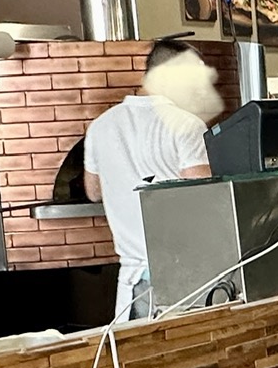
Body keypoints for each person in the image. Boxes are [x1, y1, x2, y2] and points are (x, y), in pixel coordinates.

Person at [84, 38, 220, 322]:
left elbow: (93, 191)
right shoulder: (186, 125)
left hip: (133, 284)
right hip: (183, 280)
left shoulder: (100, 127)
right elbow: (207, 195)